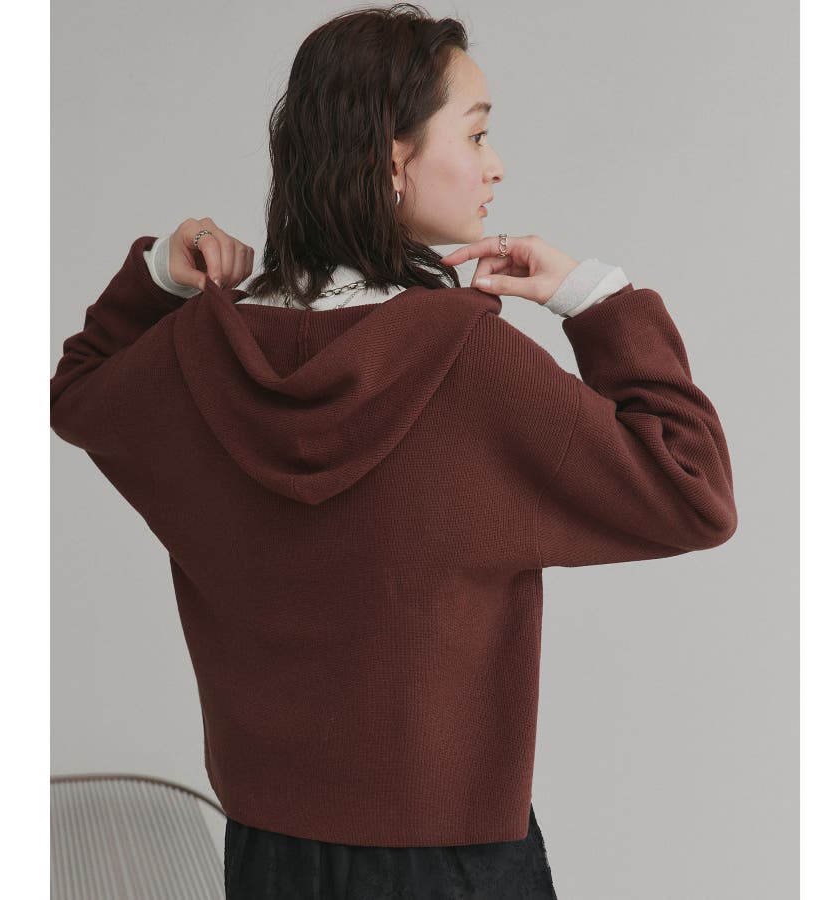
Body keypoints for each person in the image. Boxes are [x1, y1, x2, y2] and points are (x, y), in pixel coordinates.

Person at [50, 4, 738, 898]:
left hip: (266, 853)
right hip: (448, 859)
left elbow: (78, 391)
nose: (496, 165)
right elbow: (692, 490)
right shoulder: (467, 359)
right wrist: (598, 300)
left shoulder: (196, 354)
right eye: (477, 133)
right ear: (390, 162)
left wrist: (156, 279)